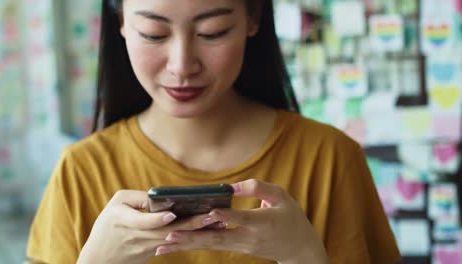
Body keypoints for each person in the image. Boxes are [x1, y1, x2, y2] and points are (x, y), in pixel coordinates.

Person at [26, 0, 401, 263]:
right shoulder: (80, 170)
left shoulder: (330, 158)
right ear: (121, 22)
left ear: (253, 17)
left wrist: (303, 256)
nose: (182, 65)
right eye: (154, 33)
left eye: (212, 32)